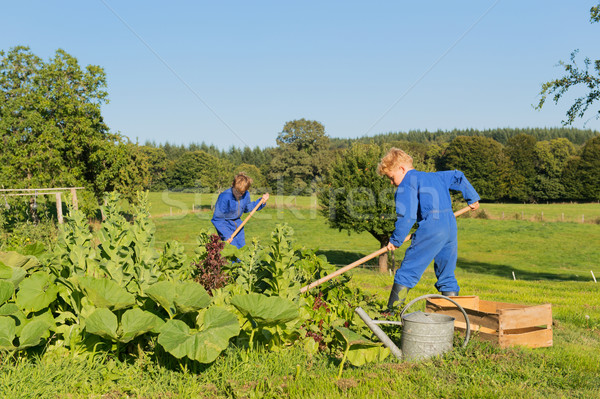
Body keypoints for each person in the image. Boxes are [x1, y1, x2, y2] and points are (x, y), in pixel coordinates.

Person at [377, 148, 480, 313]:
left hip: (432, 226)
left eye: (391, 177)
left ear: (401, 169)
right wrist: (472, 197)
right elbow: (458, 175)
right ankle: (454, 317)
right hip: (449, 226)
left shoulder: (406, 184)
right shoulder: (434, 176)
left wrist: (396, 239)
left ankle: (391, 314)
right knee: (447, 274)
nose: (392, 182)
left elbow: (407, 216)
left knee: (408, 270)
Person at [211, 173, 269, 249]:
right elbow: (217, 219)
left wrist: (261, 202)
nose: (240, 195)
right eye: (237, 191)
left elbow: (247, 208)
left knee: (241, 250)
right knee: (231, 251)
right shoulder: (224, 196)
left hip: (239, 225)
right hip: (225, 225)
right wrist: (226, 235)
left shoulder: (246, 194)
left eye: (242, 193)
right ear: (233, 185)